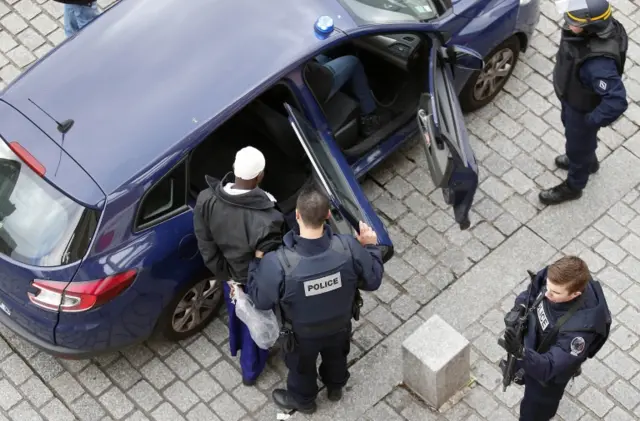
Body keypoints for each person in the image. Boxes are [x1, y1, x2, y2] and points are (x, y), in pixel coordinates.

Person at [244, 185, 384, 414]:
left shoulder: (277, 263)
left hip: (300, 337)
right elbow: (373, 280)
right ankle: (335, 386)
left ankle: (303, 402)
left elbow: (260, 301)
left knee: (300, 369)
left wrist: (256, 265)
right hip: (339, 327)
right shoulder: (348, 247)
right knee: (337, 358)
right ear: (328, 215)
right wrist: (370, 247)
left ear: (297, 215)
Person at [193, 146, 285, 386]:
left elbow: (205, 244)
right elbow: (269, 262)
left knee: (237, 317)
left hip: (229, 277)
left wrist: (226, 276)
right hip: (252, 282)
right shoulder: (268, 219)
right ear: (260, 176)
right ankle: (251, 371)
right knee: (255, 323)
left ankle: (238, 350)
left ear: (234, 169)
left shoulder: (206, 199)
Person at [499, 256, 611, 421]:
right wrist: (520, 306)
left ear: (575, 294)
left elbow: (550, 367)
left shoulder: (579, 332)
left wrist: (521, 353)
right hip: (532, 343)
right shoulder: (554, 277)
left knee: (533, 413)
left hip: (546, 378)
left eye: (555, 293)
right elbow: (533, 288)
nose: (547, 294)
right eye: (548, 288)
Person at [540, 0, 628, 205]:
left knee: (578, 148)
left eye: (574, 23)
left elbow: (616, 101)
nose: (568, 24)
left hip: (581, 109)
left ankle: (574, 186)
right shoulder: (597, 29)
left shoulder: (598, 65)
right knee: (579, 142)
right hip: (572, 97)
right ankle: (590, 163)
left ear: (592, 27)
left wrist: (590, 121)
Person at [307, 54, 390, 138]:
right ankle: (370, 117)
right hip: (313, 86)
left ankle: (349, 84)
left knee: (322, 57)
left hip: (305, 79)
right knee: (354, 62)